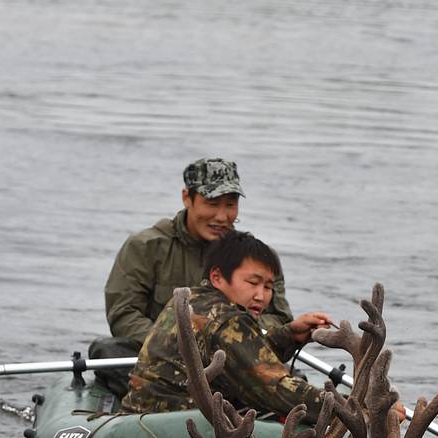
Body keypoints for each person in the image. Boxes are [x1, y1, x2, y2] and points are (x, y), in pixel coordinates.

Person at [94, 157, 330, 396]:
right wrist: (179, 345)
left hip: (235, 359)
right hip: (163, 359)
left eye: (230, 204)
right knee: (108, 350)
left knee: (292, 377)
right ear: (187, 198)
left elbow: (278, 319)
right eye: (212, 203)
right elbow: (123, 315)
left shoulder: (257, 257)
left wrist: (234, 339)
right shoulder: (145, 247)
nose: (221, 216)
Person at [122, 231, 334, 420]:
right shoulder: (226, 319)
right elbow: (276, 389)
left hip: (139, 416)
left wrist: (289, 336)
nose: (261, 296)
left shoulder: (195, 299)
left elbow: (240, 354)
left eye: (269, 286)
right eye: (253, 283)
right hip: (175, 424)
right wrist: (346, 407)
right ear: (217, 277)